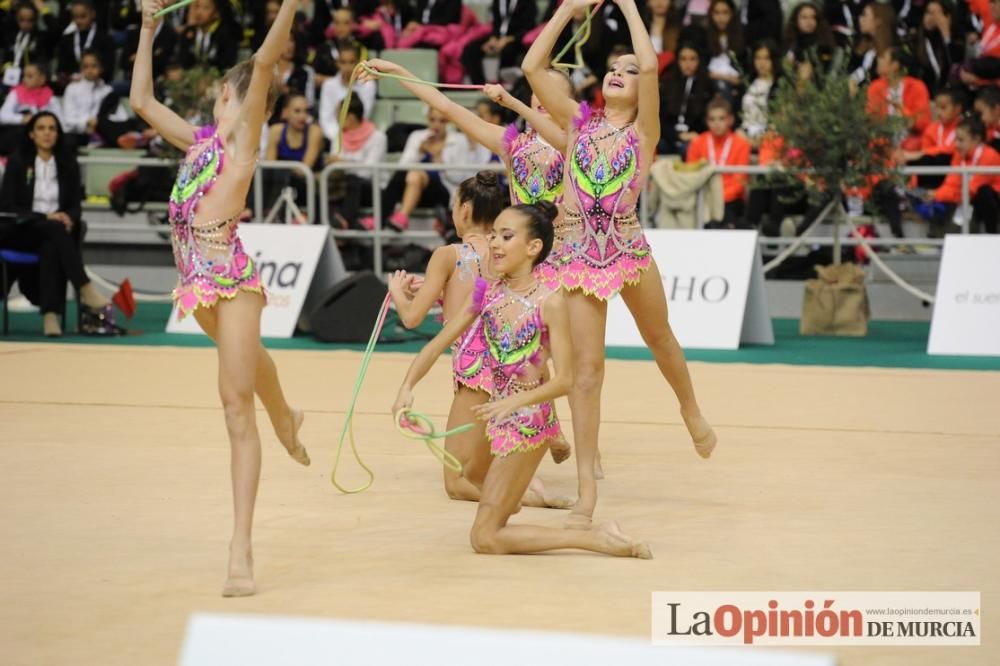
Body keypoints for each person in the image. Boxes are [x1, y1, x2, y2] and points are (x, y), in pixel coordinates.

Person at [130, 0, 309, 598]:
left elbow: (263, 64)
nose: (216, 97)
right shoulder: (198, 146)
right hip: (196, 289)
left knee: (235, 403)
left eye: (222, 92)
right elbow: (141, 103)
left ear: (229, 96)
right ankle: (286, 413)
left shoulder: (240, 147)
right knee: (248, 369)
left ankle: (241, 548)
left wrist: (288, 6)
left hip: (232, 285)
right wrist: (149, 28)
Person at [524, 0, 716, 528]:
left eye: (628, 71)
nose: (619, 72)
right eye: (613, 66)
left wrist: (629, 4)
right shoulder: (576, 123)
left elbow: (652, 66)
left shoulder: (644, 132)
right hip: (577, 256)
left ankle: (689, 407)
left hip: (626, 249)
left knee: (660, 337)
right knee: (585, 374)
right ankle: (587, 491)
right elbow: (532, 68)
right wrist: (567, 8)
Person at [393, 202, 652, 558]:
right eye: (495, 234)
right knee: (470, 481)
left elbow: (566, 380)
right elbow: (439, 342)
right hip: (496, 415)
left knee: (484, 537)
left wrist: (515, 402)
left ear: (533, 248)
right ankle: (510, 499)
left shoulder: (550, 302)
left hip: (528, 422)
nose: (495, 243)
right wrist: (407, 387)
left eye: (506, 236)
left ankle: (594, 539)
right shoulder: (487, 294)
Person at [387, 172, 570, 507]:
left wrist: (398, 292)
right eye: (498, 234)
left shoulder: (451, 254)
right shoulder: (516, 266)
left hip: (477, 368)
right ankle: (542, 449)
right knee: (529, 352)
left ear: (465, 210)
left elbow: (414, 320)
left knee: (459, 483)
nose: (497, 243)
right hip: (518, 375)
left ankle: (525, 498)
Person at [0, 111, 117, 337]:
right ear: (32, 134)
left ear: (58, 134)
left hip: (53, 235)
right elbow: (8, 205)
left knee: (51, 246)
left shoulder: (67, 163)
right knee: (53, 228)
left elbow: (75, 205)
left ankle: (50, 316)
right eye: (41, 128)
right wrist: (44, 217)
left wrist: (68, 217)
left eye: (52, 128)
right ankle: (86, 288)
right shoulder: (18, 161)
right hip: (21, 229)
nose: (47, 133)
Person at [686, 95, 751, 228]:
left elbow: (739, 183)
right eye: (712, 119)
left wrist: (718, 197)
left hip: (731, 201)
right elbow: (690, 177)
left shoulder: (741, 144)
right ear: (706, 121)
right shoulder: (697, 143)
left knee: (723, 216)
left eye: (721, 119)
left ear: (731, 120)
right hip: (702, 198)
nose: (716, 123)